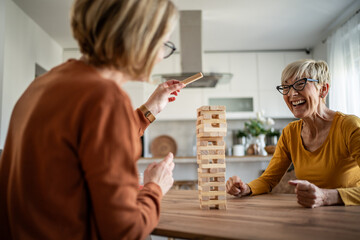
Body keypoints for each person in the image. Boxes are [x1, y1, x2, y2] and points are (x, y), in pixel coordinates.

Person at [0, 0, 185, 239]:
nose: (162, 56)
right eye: (164, 45)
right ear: (138, 39)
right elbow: (126, 230)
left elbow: (93, 137)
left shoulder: (44, 84)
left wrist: (150, 109)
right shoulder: (105, 98)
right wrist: (155, 187)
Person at [226, 59, 360, 208]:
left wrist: (325, 196)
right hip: (311, 217)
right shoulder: (290, 133)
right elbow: (268, 180)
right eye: (286, 87)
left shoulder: (349, 126)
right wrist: (246, 188)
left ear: (323, 89)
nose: (292, 93)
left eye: (300, 84)